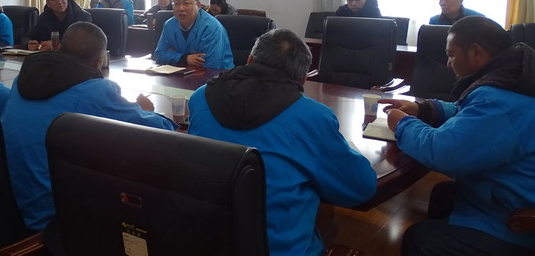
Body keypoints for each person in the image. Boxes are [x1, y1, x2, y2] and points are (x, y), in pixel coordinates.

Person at [188, 28, 377, 255]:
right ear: (303, 78)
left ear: (250, 60)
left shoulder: (200, 97)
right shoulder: (313, 117)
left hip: (203, 242)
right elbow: (361, 188)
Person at [1, 21, 176, 231]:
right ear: (99, 62)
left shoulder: (23, 79)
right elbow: (162, 132)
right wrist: (146, 110)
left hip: (8, 205)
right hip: (51, 219)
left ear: (60, 47)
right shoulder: (94, 91)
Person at [381, 16, 535, 255]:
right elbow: (471, 115)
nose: (448, 63)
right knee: (444, 194)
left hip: (515, 222)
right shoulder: (512, 80)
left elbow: (443, 152)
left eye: (451, 54)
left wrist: (402, 124)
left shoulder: (500, 101)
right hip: (508, 194)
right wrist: (424, 109)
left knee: (419, 238)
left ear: (475, 53)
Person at [153, 0, 234, 69]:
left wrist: (172, 55)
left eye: (186, 3)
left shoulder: (212, 28)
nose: (181, 8)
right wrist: (185, 58)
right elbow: (159, 54)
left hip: (219, 74)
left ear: (198, 5)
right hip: (182, 72)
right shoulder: (169, 25)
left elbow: (211, 65)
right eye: (176, 4)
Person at [26, 0, 91, 51]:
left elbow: (84, 42)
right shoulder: (44, 18)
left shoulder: (83, 17)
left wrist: (57, 45)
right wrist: (29, 44)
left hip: (74, 55)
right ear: (48, 3)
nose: (59, 2)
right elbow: (27, 38)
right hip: (49, 56)